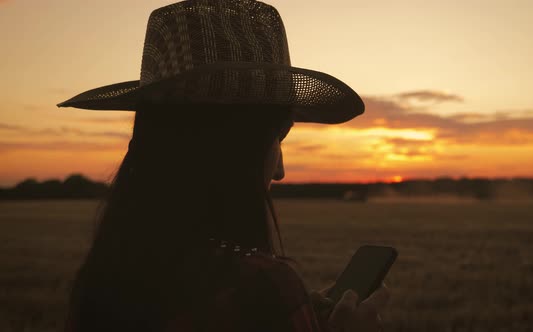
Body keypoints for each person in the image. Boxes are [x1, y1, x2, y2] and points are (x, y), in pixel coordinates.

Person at [57, 0, 391, 331]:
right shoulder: (261, 285)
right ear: (236, 146)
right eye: (277, 137)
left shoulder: (104, 274)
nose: (280, 171)